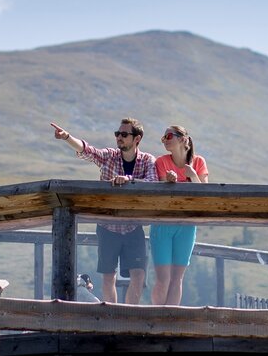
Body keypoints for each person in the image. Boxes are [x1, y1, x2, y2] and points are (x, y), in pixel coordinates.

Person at [51, 118, 157, 304]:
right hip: (107, 226)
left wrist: (128, 179)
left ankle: (129, 319)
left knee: (139, 276)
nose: (119, 138)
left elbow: (152, 181)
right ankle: (113, 318)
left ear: (137, 139)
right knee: (109, 277)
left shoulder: (147, 160)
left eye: (124, 134)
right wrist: (66, 137)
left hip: (133, 226)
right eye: (117, 134)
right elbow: (88, 151)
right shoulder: (110, 156)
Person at [150, 125, 208, 305]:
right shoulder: (161, 162)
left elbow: (206, 194)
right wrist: (167, 182)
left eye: (169, 136)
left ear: (184, 139)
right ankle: (156, 320)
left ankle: (171, 320)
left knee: (177, 279)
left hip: (187, 224)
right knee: (163, 279)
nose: (165, 140)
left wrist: (193, 177)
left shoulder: (198, 163)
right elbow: (159, 192)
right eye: (163, 138)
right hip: (163, 224)